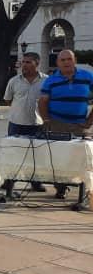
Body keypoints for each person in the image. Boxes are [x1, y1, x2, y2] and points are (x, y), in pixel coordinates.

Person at [38, 49, 93, 198]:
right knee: (58, 158)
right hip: (57, 124)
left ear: (74, 60)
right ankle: (60, 187)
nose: (66, 62)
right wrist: (46, 120)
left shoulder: (88, 77)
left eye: (69, 59)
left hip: (79, 125)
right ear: (57, 63)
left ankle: (84, 190)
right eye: (62, 60)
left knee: (82, 158)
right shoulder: (50, 80)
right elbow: (43, 101)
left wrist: (89, 121)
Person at [2, 52, 47, 193]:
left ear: (37, 64)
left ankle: (36, 183)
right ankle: (9, 181)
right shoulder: (14, 81)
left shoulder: (46, 81)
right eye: (23, 62)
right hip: (16, 123)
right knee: (13, 154)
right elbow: (8, 100)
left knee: (36, 155)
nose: (24, 65)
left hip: (36, 124)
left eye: (28, 62)